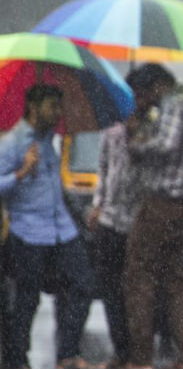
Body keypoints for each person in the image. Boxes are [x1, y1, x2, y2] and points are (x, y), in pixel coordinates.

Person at [122, 64, 183, 369]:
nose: (141, 100)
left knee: (139, 278)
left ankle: (141, 359)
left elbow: (166, 144)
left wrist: (137, 141)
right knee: (175, 279)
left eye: (140, 93)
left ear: (155, 86)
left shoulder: (174, 104)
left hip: (163, 202)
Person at [0, 84, 96, 369]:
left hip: (61, 229)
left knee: (83, 284)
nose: (57, 113)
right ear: (33, 107)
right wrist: (21, 173)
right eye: (52, 106)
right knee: (27, 300)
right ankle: (18, 358)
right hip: (28, 232)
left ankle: (67, 353)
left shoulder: (48, 141)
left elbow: (56, 186)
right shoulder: (12, 143)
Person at [85, 107, 145, 369]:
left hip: (139, 224)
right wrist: (97, 204)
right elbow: (103, 168)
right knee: (111, 290)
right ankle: (121, 352)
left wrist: (137, 139)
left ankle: (140, 353)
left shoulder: (152, 136)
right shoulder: (111, 133)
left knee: (139, 290)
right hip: (110, 221)